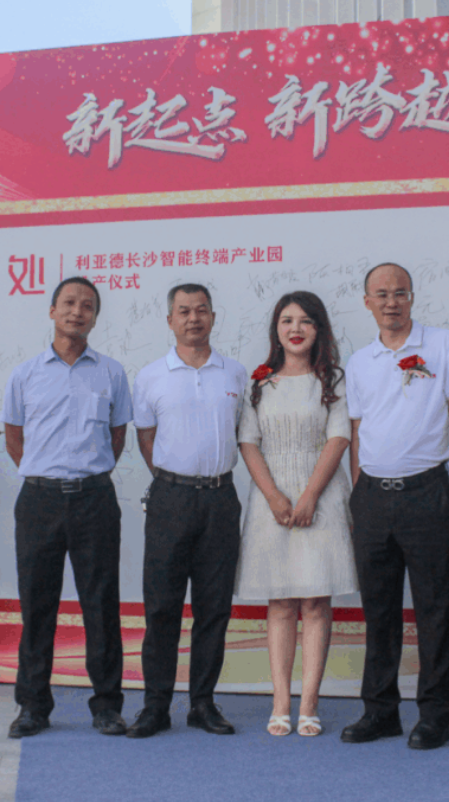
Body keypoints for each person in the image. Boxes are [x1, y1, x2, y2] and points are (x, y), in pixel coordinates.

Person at [342, 263, 449, 749]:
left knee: (433, 609)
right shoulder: (360, 361)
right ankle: (380, 711)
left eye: (400, 293)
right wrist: (358, 494)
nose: (391, 302)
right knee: (378, 611)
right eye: (381, 294)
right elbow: (358, 432)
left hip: (427, 491)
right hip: (373, 496)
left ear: (412, 298)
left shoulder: (443, 345)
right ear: (367, 302)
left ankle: (436, 714)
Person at [1, 277, 133, 739]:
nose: (78, 312)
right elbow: (14, 438)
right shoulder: (25, 374)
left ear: (95, 317)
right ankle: (33, 706)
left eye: (88, 306)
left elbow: (117, 437)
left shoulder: (112, 373)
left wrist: (84, 475)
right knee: (38, 605)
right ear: (52, 310)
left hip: (95, 499)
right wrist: (48, 476)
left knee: (101, 603)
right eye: (70, 303)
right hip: (39, 500)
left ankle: (107, 706)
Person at [127, 284, 248, 739]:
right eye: (183, 311)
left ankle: (203, 703)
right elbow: (146, 437)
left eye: (201, 310)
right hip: (170, 499)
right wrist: (172, 479)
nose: (193, 318)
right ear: (170, 320)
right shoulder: (151, 376)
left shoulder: (235, 373)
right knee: (162, 607)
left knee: (214, 607)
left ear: (213, 317)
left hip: (221, 498)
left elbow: (243, 432)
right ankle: (155, 706)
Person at [235, 291, 357, 738]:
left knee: (317, 601)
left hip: (321, 496)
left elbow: (339, 437)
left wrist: (309, 496)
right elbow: (248, 441)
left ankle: (309, 705)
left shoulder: (333, 380)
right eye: (287, 320)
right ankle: (281, 704)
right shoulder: (259, 382)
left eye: (305, 321)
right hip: (271, 500)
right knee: (282, 602)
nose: (295, 328)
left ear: (319, 329)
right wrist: (274, 497)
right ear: (276, 330)